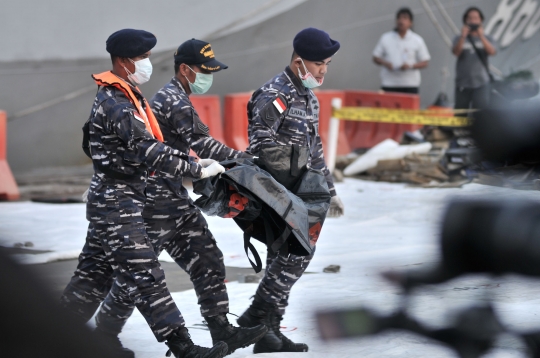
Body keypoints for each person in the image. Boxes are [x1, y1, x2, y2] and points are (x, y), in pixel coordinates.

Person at [60, 29, 229, 358]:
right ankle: (182, 347)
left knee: (92, 278)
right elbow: (147, 149)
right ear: (123, 62)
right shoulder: (116, 102)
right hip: (116, 202)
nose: (148, 64)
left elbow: (152, 148)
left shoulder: (126, 94)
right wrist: (196, 169)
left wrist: (192, 161)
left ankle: (52, 340)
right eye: (142, 58)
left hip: (118, 199)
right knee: (144, 272)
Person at [93, 38, 267, 356]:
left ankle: (220, 328)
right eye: (205, 70)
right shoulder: (172, 100)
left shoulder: (179, 99)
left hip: (174, 199)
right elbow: (205, 147)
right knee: (139, 276)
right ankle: (105, 334)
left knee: (208, 258)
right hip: (153, 202)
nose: (210, 76)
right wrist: (248, 162)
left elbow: (202, 146)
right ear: (185, 69)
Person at [236, 27, 343, 354]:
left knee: (281, 257)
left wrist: (331, 188)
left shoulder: (309, 98)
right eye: (319, 64)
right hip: (278, 190)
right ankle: (256, 315)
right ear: (299, 62)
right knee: (298, 254)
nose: (324, 70)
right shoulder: (275, 94)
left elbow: (316, 148)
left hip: (303, 190)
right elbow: (260, 142)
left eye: (327, 63)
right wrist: (280, 188)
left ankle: (268, 332)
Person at [373, 7, 431, 94]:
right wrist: (386, 63)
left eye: (405, 18)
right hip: (389, 83)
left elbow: (425, 62)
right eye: (399, 18)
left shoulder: (417, 40)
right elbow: (375, 57)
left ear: (411, 23)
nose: (401, 21)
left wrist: (410, 66)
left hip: (410, 84)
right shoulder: (386, 38)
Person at [452, 6, 497, 113]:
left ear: (481, 20)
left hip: (481, 83)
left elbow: (492, 52)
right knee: (460, 113)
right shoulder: (458, 38)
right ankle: (459, 130)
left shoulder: (487, 38)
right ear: (465, 21)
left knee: (480, 113)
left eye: (476, 18)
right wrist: (463, 36)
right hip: (463, 83)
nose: (473, 21)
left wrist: (481, 36)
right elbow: (456, 52)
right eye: (470, 18)